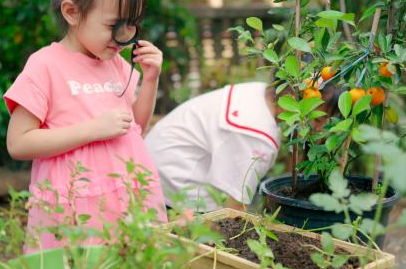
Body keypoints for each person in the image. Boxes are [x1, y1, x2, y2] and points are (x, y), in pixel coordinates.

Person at [4, 0, 167, 251]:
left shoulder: (116, 63)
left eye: (131, 25)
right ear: (72, 12)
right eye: (113, 26)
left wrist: (150, 79)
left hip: (124, 198)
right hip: (73, 208)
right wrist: (92, 129)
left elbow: (134, 128)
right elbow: (18, 143)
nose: (124, 37)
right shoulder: (45, 65)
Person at [145, 81, 340, 213]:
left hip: (153, 163)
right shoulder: (257, 135)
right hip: (169, 188)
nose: (320, 129)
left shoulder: (260, 92)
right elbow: (233, 207)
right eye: (319, 119)